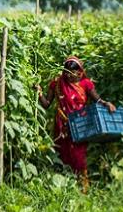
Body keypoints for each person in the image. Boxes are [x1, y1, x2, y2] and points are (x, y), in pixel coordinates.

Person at [35, 56, 116, 193]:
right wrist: (38, 92)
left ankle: (83, 186)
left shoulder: (85, 84)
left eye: (72, 73)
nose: (68, 76)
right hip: (62, 125)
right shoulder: (57, 83)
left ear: (80, 72)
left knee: (79, 157)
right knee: (62, 154)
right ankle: (65, 187)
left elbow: (97, 100)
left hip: (80, 125)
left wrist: (106, 104)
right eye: (66, 73)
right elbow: (46, 104)